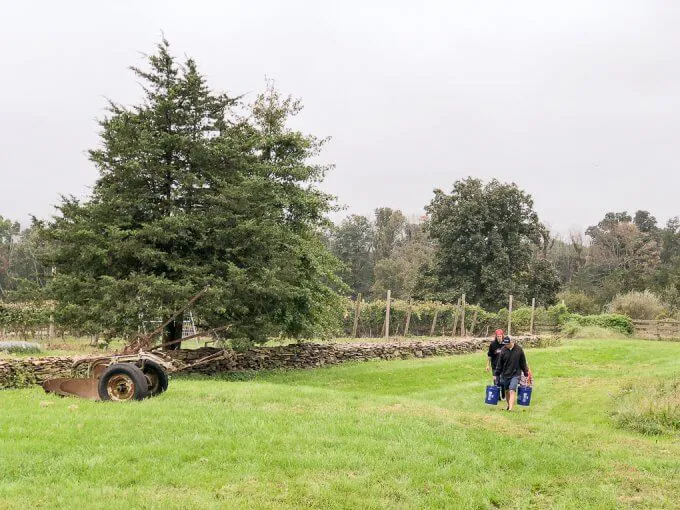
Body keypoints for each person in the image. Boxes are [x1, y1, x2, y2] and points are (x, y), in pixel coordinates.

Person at [493, 336, 533, 411]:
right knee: (507, 391)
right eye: (505, 344)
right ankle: (508, 406)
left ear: (512, 342)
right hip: (505, 374)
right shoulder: (503, 350)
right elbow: (499, 364)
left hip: (516, 374)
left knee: (512, 390)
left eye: (507, 344)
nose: (506, 345)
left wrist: (526, 372)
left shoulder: (519, 350)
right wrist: (496, 374)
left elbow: (523, 362)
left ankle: (511, 409)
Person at [486, 329, 506, 402]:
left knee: (503, 381)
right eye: (498, 336)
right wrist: (487, 365)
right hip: (495, 366)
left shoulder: (505, 343)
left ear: (502, 336)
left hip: (504, 366)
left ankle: (504, 395)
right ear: (496, 336)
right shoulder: (493, 344)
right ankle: (498, 397)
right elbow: (489, 355)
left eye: (500, 336)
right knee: (496, 381)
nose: (499, 337)